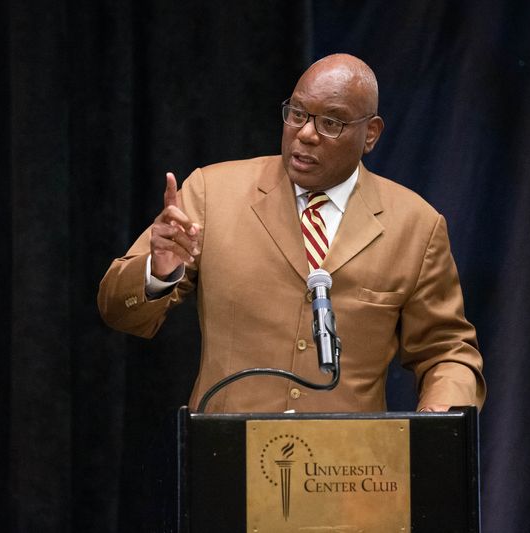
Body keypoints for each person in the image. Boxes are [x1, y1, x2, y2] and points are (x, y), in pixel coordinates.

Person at [97, 53, 485, 414]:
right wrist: (158, 272)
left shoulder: (415, 225)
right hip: (227, 462)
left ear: (371, 134)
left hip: (350, 473)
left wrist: (442, 421)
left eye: (331, 123)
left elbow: (447, 351)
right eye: (297, 113)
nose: (306, 134)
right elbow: (118, 313)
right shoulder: (211, 192)